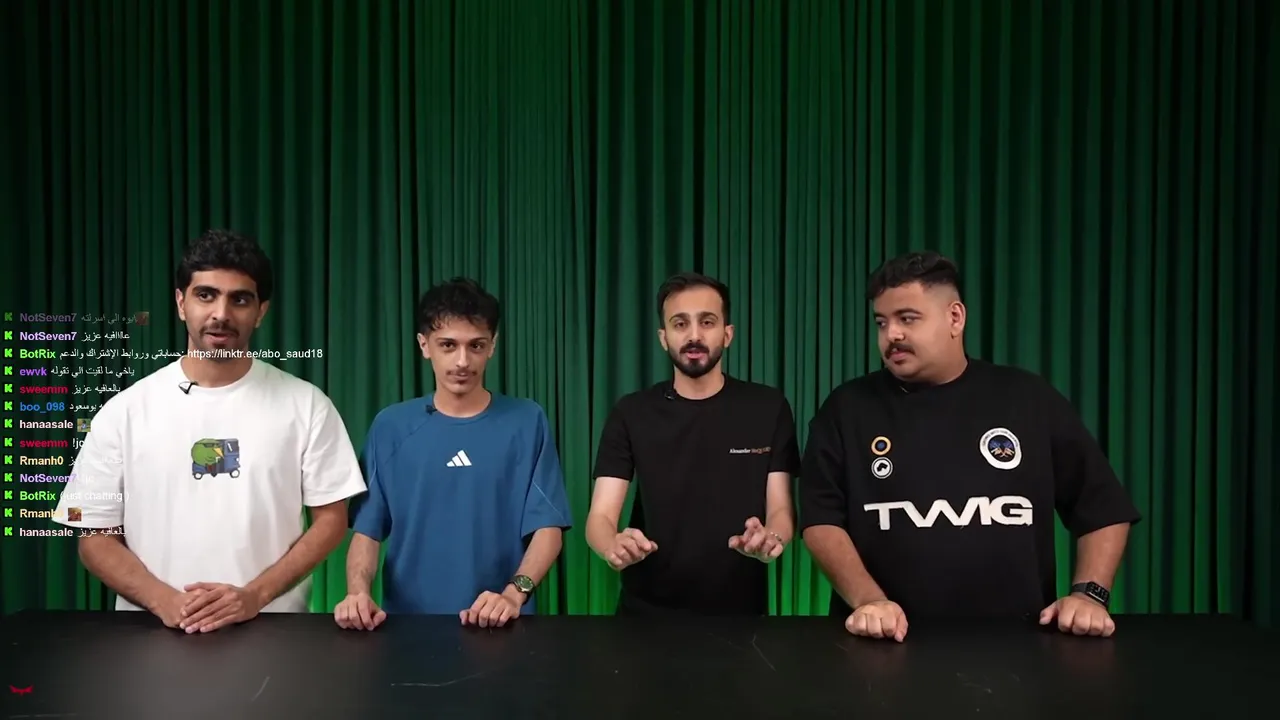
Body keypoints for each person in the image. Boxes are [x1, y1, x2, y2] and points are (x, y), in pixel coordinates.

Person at [799, 251, 1142, 642]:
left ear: (955, 318)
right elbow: (821, 521)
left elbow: (1102, 508)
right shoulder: (847, 408)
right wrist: (869, 602)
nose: (891, 334)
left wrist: (1089, 596)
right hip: (884, 648)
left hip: (1020, 650)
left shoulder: (1027, 398)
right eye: (882, 322)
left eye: (907, 318)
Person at [53, 229, 367, 633]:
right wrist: (167, 602)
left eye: (240, 299)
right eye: (206, 295)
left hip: (273, 635)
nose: (221, 313)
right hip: (151, 637)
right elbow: (94, 536)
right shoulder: (123, 412)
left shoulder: (307, 406)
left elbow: (331, 521)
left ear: (261, 311)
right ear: (180, 303)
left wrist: (253, 596)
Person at [335, 277, 572, 630]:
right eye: (448, 345)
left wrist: (513, 595)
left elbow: (548, 528)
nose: (463, 361)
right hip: (406, 629)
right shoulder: (390, 426)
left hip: (502, 625)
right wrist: (357, 593)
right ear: (424, 345)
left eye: (476, 345)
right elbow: (367, 531)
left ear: (493, 346)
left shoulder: (527, 421)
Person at [585, 272, 801, 616]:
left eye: (707, 322)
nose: (694, 336)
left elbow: (781, 511)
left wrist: (771, 538)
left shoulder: (767, 407)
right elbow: (599, 517)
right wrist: (612, 544)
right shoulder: (632, 412)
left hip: (743, 617)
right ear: (663, 337)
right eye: (680, 324)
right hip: (645, 616)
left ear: (727, 334)